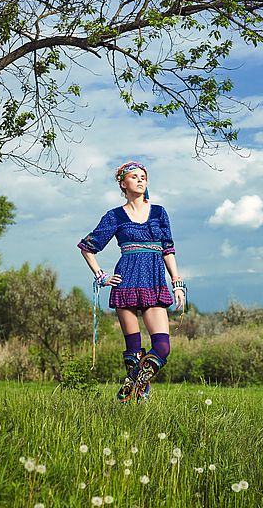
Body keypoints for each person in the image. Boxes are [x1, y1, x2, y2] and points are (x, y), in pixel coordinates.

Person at [77, 161, 185, 403]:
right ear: (122, 184)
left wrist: (176, 283)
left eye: (143, 177)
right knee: (133, 354)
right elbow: (87, 247)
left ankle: (127, 390)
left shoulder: (159, 212)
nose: (140, 180)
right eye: (134, 177)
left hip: (155, 282)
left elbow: (168, 249)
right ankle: (134, 407)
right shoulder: (114, 216)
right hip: (125, 282)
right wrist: (101, 276)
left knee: (163, 348)